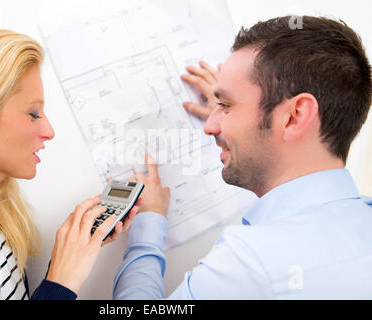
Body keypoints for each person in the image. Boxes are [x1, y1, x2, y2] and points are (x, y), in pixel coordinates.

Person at [113, 16, 372, 299]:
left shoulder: (250, 263)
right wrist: (238, 115)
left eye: (225, 105)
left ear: (295, 116)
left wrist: (147, 226)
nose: (210, 126)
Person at [0, 24, 140, 300]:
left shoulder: (2, 219)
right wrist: (60, 282)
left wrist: (69, 258)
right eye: (34, 113)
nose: (49, 131)